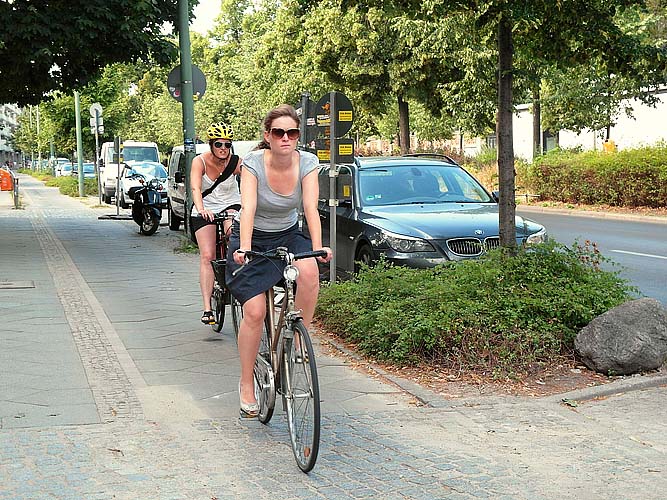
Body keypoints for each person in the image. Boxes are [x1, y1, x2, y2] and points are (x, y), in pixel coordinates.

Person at [226, 104, 332, 418]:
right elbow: (248, 207)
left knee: (310, 271)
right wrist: (244, 246)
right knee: (256, 312)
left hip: (287, 234)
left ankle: (299, 340)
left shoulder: (308, 163)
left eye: (292, 132)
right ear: (268, 136)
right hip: (252, 238)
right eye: (279, 132)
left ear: (298, 136)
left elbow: (311, 209)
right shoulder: (254, 164)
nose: (286, 138)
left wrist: (318, 247)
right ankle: (247, 383)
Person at [190, 122, 243, 325]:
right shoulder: (199, 162)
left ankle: (235, 273)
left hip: (231, 205)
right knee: (207, 255)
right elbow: (195, 188)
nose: (223, 149)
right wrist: (202, 209)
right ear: (211, 144)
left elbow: (251, 179)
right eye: (219, 144)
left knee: (233, 235)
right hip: (206, 208)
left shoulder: (236, 162)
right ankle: (207, 308)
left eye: (227, 145)